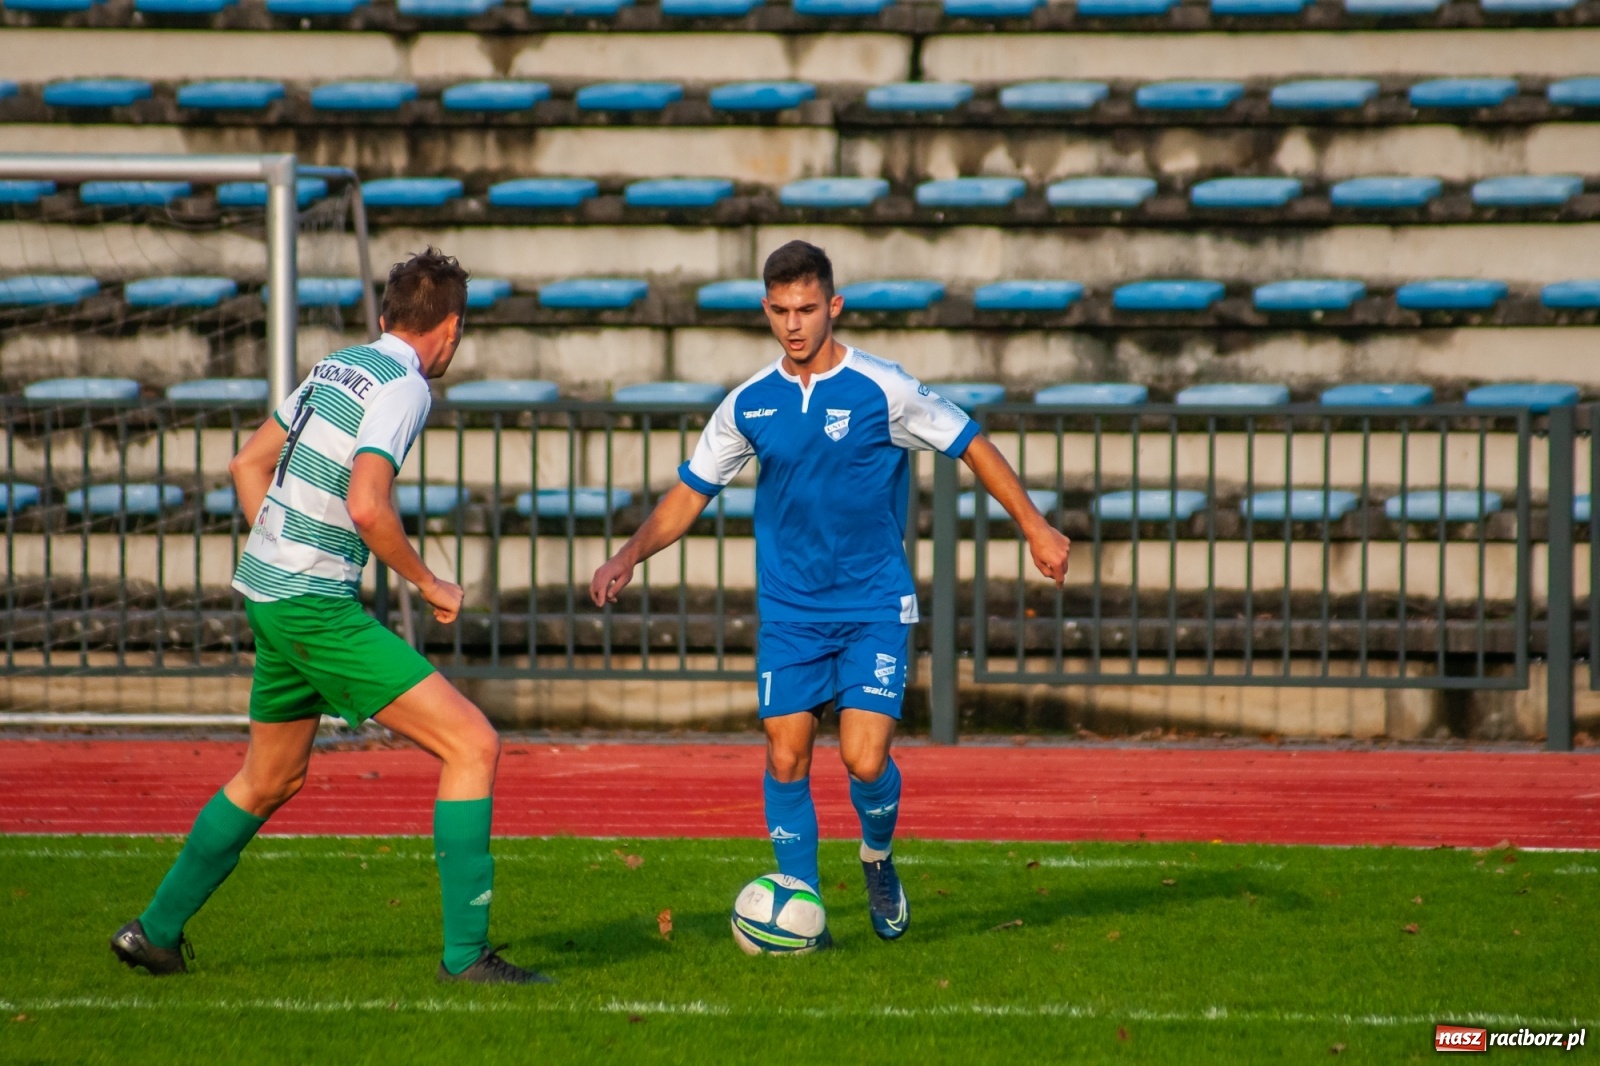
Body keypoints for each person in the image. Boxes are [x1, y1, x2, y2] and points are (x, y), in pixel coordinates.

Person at [590, 240, 1071, 941]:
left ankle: (877, 857)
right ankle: (802, 903)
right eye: (781, 310)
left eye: (808, 308)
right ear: (766, 310)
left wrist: (1035, 525)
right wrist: (628, 554)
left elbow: (971, 442)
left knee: (863, 758)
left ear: (833, 306)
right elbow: (691, 493)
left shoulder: (884, 388)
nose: (794, 323)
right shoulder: (748, 404)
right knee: (785, 754)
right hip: (791, 612)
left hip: (873, 603)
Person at [111, 249, 546, 985]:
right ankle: (467, 957)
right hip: (311, 603)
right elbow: (367, 505)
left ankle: (153, 933)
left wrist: (280, 550)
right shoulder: (406, 387)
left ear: (384, 318)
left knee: (269, 779)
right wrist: (430, 582)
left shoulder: (336, 365)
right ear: (451, 329)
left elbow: (246, 465)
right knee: (473, 744)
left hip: (272, 592)